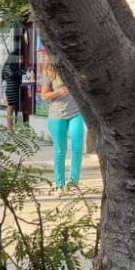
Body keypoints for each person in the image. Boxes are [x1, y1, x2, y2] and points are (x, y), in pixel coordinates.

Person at [38, 59, 85, 188]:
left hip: (76, 112)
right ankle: (59, 183)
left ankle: (74, 181)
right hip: (57, 115)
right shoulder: (49, 69)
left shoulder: (74, 64)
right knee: (60, 150)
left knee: (77, 146)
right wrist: (58, 92)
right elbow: (44, 95)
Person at [1, 58, 22, 124]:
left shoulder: (7, 66)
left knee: (12, 107)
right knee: (11, 107)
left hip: (12, 89)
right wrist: (20, 72)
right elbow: (12, 75)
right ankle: (10, 128)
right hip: (11, 89)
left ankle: (11, 127)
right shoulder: (8, 66)